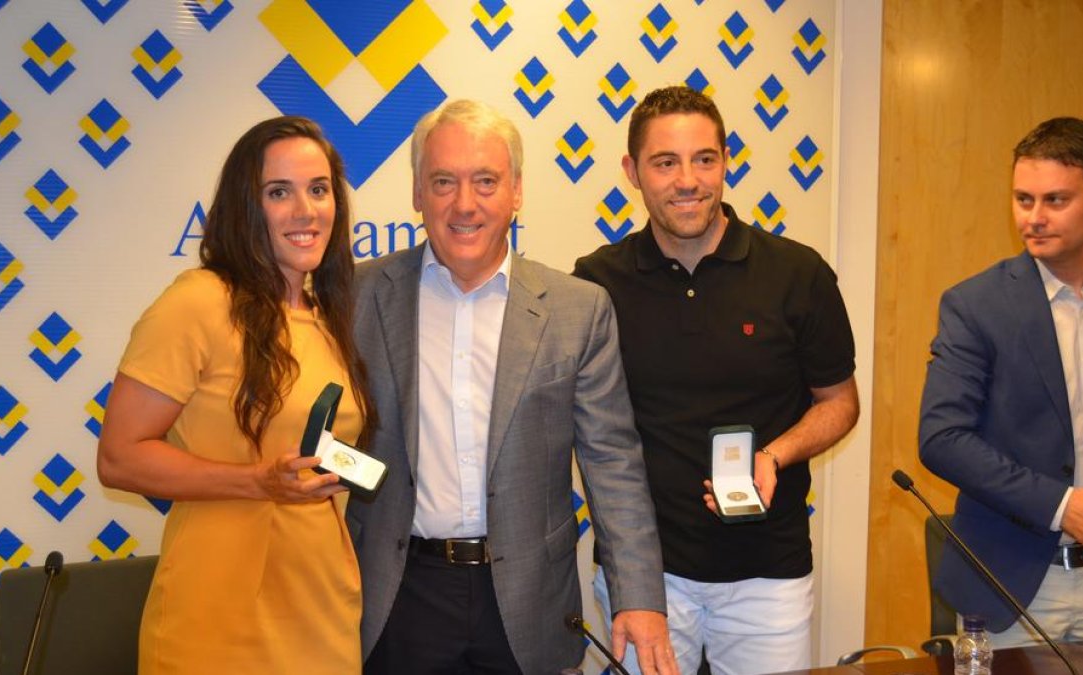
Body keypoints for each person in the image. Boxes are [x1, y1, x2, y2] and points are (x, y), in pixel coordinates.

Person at [346, 99, 678, 675]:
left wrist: (640, 596)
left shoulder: (578, 309)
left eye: (485, 181)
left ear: (517, 192)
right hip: (397, 595)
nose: (464, 203)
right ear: (418, 194)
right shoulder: (356, 296)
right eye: (443, 182)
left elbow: (613, 464)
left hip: (529, 601)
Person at [573, 86, 859, 675]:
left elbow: (840, 404)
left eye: (705, 159)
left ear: (727, 161)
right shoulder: (597, 283)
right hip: (646, 578)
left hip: (768, 573)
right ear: (632, 171)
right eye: (665, 162)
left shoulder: (797, 272)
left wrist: (776, 457)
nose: (688, 180)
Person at [97, 116, 375, 674]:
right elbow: (119, 457)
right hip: (216, 620)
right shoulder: (199, 302)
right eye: (280, 192)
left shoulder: (330, 316)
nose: (305, 211)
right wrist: (254, 482)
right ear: (247, 207)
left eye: (319, 190)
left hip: (320, 611)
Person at [919, 117, 1083, 645]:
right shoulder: (975, 305)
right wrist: (1063, 505)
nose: (1035, 218)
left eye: (1055, 200)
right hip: (1015, 588)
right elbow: (941, 439)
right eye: (1023, 200)